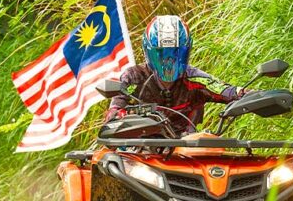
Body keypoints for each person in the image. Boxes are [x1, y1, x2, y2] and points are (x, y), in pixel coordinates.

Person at [105, 15, 248, 134]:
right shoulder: (134, 78)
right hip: (141, 151)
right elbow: (114, 111)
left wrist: (250, 95)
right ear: (148, 52)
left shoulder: (195, 79)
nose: (168, 61)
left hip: (187, 151)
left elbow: (226, 90)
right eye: (161, 53)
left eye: (176, 53)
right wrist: (122, 116)